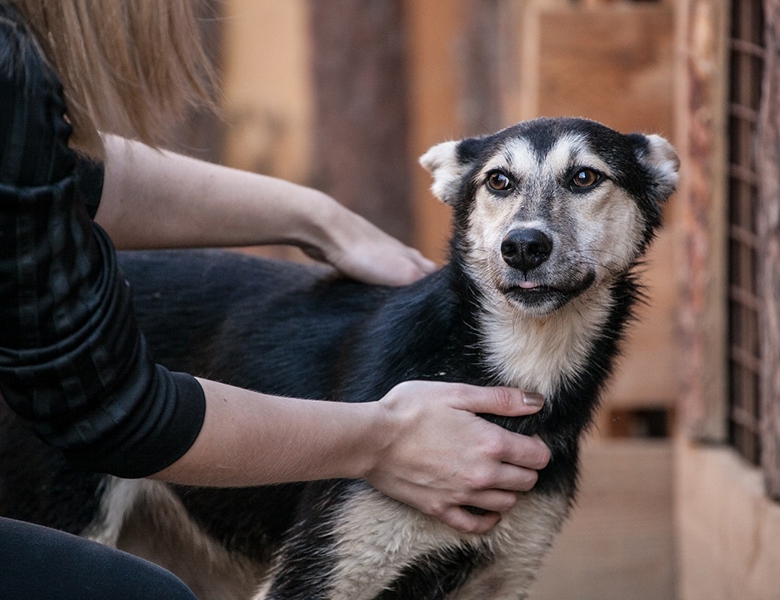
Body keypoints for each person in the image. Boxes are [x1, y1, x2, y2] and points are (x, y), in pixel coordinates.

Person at [0, 1, 551, 598]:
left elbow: (50, 175)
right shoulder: (11, 63)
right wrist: (382, 438)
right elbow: (111, 408)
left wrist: (318, 219)